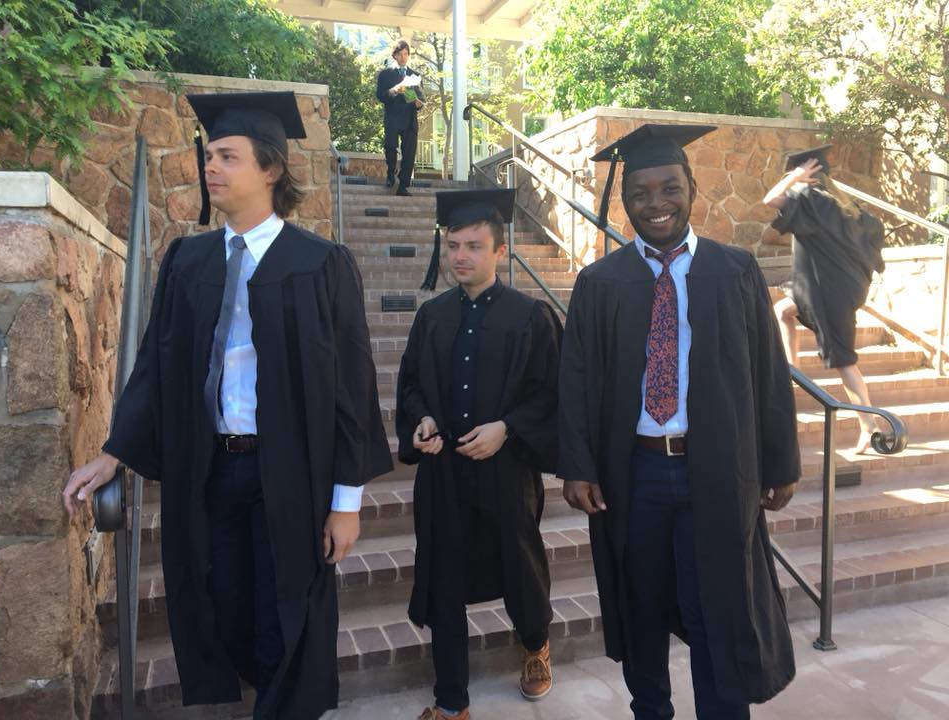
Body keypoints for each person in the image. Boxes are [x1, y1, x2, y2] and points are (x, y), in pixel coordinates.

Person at [62, 91, 393, 720]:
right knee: (223, 601)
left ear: (270, 169)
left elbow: (351, 387)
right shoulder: (186, 261)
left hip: (291, 474)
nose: (210, 167)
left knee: (287, 612)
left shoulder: (322, 264)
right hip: (211, 470)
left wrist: (345, 503)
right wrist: (114, 453)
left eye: (228, 156)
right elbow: (154, 367)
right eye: (209, 155)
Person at [558, 124, 800, 720]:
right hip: (633, 474)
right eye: (640, 193)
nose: (656, 203)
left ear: (692, 187)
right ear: (625, 201)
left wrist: (780, 462)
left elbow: (769, 373)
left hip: (717, 470)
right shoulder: (599, 282)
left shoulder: (735, 270)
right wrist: (578, 465)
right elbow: (576, 380)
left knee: (718, 608)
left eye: (669, 187)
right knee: (640, 608)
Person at [396, 189, 562, 720]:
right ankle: (452, 703)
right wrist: (423, 420)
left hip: (506, 471)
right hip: (443, 472)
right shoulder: (432, 317)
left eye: (473, 246)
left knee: (520, 565)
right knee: (444, 576)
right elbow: (411, 385)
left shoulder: (530, 316)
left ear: (499, 250)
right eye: (453, 246)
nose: (460, 256)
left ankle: (535, 645)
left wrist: (507, 429)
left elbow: (551, 394)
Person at [764, 145, 886, 453]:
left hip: (827, 297)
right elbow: (874, 233)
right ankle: (793, 373)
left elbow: (770, 199)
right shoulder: (845, 206)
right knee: (783, 310)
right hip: (836, 292)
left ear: (809, 176)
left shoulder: (809, 200)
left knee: (844, 362)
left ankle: (869, 426)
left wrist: (794, 176)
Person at [376, 39, 425, 197]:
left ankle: (403, 185)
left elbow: (421, 99)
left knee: (409, 154)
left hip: (409, 119)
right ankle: (391, 173)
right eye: (400, 54)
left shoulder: (415, 75)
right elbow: (380, 96)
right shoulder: (385, 74)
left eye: (406, 54)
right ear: (395, 55)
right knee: (390, 147)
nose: (403, 57)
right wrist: (395, 90)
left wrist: (419, 104)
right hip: (393, 118)